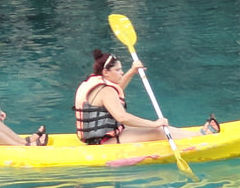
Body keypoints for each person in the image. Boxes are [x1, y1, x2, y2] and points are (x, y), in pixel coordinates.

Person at [72, 49, 219, 145]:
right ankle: (201, 140)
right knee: (158, 131)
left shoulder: (95, 83)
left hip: (99, 137)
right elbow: (122, 117)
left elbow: (114, 94)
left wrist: (132, 71)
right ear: (106, 72)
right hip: (103, 142)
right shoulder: (106, 90)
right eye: (118, 70)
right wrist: (153, 124)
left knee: (164, 127)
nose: (121, 73)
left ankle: (197, 134)